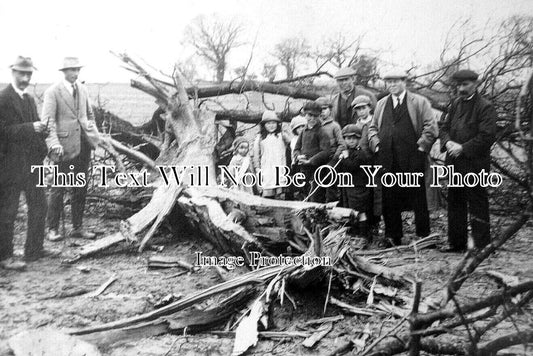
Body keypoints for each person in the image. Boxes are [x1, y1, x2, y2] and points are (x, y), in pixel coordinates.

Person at [368, 69, 438, 246]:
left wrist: (421, 148)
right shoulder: (382, 104)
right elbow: (372, 128)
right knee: (389, 198)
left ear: (404, 82)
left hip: (413, 157)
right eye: (389, 82)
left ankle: (424, 236)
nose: (392, 85)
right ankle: (393, 235)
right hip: (388, 159)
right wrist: (376, 145)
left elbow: (431, 128)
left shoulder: (419, 102)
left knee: (418, 196)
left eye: (396, 81)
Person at [42, 57, 102, 241]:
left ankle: (77, 227)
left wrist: (93, 135)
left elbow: (89, 115)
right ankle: (52, 229)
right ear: (64, 71)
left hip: (83, 147)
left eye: (77, 70)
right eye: (72, 70)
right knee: (58, 188)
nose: (75, 73)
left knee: (80, 188)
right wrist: (54, 144)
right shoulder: (53, 92)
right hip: (63, 148)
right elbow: (48, 122)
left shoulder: (82, 89)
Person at [440, 69, 497, 252]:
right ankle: (457, 243)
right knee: (455, 203)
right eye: (458, 85)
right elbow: (444, 127)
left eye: (465, 85)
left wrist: (463, 148)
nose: (461, 88)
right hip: (454, 164)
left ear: (476, 84)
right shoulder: (455, 104)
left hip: (475, 165)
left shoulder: (485, 106)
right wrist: (447, 141)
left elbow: (487, 136)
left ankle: (482, 247)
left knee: (478, 204)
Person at [0, 56, 48, 269]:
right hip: (10, 166)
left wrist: (45, 140)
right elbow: (3, 131)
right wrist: (31, 127)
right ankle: (5, 257)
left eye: (29, 74)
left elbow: (37, 127)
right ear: (13, 73)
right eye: (22, 73)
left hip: (32, 164)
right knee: (8, 212)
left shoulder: (28, 99)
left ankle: (34, 251)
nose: (26, 78)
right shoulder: (3, 99)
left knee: (39, 206)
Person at [335, 124, 373, 243]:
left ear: (358, 139)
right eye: (347, 138)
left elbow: (352, 167)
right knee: (350, 212)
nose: (350, 141)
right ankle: (354, 234)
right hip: (349, 187)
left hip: (359, 188)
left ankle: (364, 236)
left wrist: (345, 158)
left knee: (360, 212)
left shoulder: (360, 154)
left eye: (353, 138)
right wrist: (341, 158)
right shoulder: (348, 152)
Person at [352, 94, 382, 229]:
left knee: (376, 192)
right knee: (363, 194)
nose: (361, 111)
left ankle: (376, 222)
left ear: (369, 108)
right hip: (360, 164)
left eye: (363, 108)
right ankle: (365, 224)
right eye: (358, 109)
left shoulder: (375, 122)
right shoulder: (356, 125)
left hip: (374, 162)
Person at [293, 101, 332, 202]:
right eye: (309, 115)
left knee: (315, 196)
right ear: (304, 115)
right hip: (304, 169)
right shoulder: (303, 131)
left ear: (319, 116)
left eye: (315, 116)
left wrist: (311, 161)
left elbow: (326, 152)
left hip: (317, 170)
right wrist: (298, 156)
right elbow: (296, 149)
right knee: (304, 194)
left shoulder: (322, 132)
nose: (312, 118)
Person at [253, 110, 290, 199]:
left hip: (279, 164)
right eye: (268, 123)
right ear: (264, 125)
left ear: (277, 124)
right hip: (266, 166)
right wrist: (257, 167)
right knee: (268, 184)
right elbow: (256, 153)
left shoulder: (281, 135)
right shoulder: (260, 138)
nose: (271, 126)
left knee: (279, 185)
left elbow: (292, 144)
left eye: (273, 123)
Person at [316, 96, 346, 202]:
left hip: (330, 160)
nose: (322, 112)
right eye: (319, 110)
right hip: (316, 161)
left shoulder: (334, 126)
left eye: (324, 109)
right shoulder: (313, 126)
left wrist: (334, 158)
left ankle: (332, 213)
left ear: (330, 109)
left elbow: (342, 144)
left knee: (331, 189)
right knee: (316, 189)